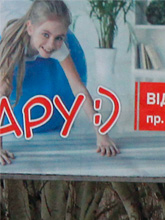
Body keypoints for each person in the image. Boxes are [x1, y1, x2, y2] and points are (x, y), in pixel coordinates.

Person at [0, 0, 119, 165]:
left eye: (59, 37)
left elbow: (79, 89)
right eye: (46, 35)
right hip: (8, 17)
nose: (51, 45)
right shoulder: (14, 45)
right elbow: (2, 95)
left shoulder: (58, 45)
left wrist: (101, 133)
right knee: (4, 86)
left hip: (28, 17)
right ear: (30, 28)